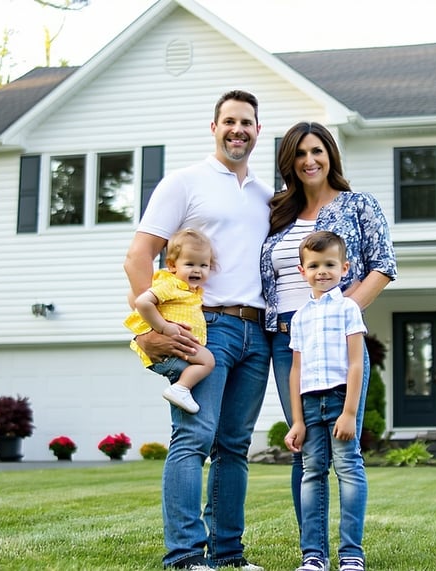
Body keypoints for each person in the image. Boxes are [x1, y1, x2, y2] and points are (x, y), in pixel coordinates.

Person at [123, 90, 271, 571]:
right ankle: (185, 555)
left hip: (257, 331)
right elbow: (138, 256)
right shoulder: (184, 182)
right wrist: (156, 326)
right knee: (193, 440)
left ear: (257, 131)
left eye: (246, 122)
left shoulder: (268, 197)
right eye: (229, 121)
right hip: (206, 331)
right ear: (214, 128)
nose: (238, 129)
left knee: (234, 448)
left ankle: (228, 553)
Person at [260, 121, 397, 534]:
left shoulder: (358, 204)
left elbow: (383, 266)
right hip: (286, 338)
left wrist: (338, 314)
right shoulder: (276, 212)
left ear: (330, 155)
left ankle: (350, 546)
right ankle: (313, 550)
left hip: (338, 338)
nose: (309, 160)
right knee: (307, 447)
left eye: (316, 151)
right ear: (290, 162)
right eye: (300, 153)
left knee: (344, 452)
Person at [284, 231, 368, 571]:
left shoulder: (349, 308)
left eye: (330, 264)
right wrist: (297, 420)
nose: (322, 271)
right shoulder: (300, 316)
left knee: (348, 469)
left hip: (338, 398)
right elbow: (295, 371)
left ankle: (351, 553)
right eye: (314, 265)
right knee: (312, 472)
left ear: (344, 268)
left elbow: (356, 362)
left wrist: (349, 412)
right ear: (303, 270)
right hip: (309, 403)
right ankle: (314, 555)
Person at [124, 227, 216, 414]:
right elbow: (142, 302)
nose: (197, 270)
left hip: (181, 348)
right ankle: (181, 388)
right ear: (173, 265)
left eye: (203, 265)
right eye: (190, 264)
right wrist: (163, 327)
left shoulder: (189, 290)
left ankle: (181, 388)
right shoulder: (170, 284)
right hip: (171, 351)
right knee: (208, 361)